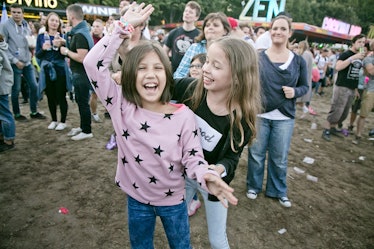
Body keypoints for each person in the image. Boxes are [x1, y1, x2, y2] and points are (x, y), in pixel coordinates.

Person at [83, 4, 238, 248]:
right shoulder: (120, 104)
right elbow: (92, 64)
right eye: (142, 68)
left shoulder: (184, 116)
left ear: (168, 75)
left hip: (174, 203)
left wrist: (207, 175)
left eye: (157, 68)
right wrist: (122, 29)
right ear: (131, 74)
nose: (150, 74)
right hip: (136, 201)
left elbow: (193, 158)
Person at [173, 36, 261, 248]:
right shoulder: (190, 89)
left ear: (238, 77)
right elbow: (161, 83)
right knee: (175, 225)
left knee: (217, 239)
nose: (205, 69)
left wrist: (216, 171)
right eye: (206, 62)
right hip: (182, 174)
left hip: (213, 183)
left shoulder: (241, 119)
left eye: (216, 65)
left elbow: (231, 158)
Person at [246, 15, 308, 208]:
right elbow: (249, 82)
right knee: (256, 154)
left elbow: (305, 86)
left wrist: (295, 92)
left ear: (290, 33)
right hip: (260, 114)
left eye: (282, 29)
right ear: (270, 31)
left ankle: (277, 190)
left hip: (284, 117)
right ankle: (253, 186)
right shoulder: (258, 57)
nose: (278, 32)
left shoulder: (298, 61)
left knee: (279, 157)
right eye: (274, 28)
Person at [0, 3, 46, 121]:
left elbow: (27, 41)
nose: (16, 14)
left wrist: (31, 48)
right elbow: (2, 46)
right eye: (14, 12)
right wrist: (14, 60)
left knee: (34, 86)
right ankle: (17, 114)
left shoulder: (26, 25)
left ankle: (34, 111)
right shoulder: (5, 26)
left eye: (18, 12)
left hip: (27, 62)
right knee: (16, 89)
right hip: (14, 63)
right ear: (11, 12)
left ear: (22, 13)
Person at [322, 34, 366, 141]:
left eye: (363, 42)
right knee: (336, 109)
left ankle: (333, 128)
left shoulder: (360, 56)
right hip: (342, 86)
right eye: (359, 42)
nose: (362, 44)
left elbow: (355, 74)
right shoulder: (346, 54)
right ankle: (326, 129)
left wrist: (355, 89)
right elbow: (338, 67)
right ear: (353, 43)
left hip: (351, 88)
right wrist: (352, 58)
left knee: (345, 112)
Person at [60, 4, 94, 141]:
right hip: (80, 74)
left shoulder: (80, 34)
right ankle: (83, 127)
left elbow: (82, 57)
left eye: (67, 16)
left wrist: (66, 52)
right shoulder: (81, 32)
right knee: (81, 101)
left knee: (83, 102)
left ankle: (87, 130)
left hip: (81, 74)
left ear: (71, 16)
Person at [35, 12, 70, 131]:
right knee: (50, 96)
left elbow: (67, 52)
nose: (54, 23)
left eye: (56, 21)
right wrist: (44, 49)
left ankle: (63, 121)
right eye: (52, 20)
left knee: (61, 96)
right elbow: (38, 55)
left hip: (60, 69)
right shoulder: (41, 37)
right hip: (47, 70)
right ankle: (54, 120)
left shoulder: (63, 36)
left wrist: (62, 44)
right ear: (47, 22)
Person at [173, 12, 231, 79]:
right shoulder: (194, 48)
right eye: (207, 25)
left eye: (215, 25)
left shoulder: (230, 51)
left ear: (225, 31)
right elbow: (179, 74)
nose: (210, 27)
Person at [163, 1, 201, 73]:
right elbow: (164, 51)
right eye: (186, 11)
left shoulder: (199, 35)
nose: (187, 13)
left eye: (191, 12)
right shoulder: (173, 33)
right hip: (174, 73)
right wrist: (166, 64)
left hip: (192, 73)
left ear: (196, 17)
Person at [352, 40, 374, 145]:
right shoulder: (368, 59)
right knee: (363, 114)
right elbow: (371, 71)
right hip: (370, 90)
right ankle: (358, 134)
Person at [0, 34, 16, 152]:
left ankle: (9, 139)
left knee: (4, 113)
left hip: (1, 85)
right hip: (3, 83)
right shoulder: (2, 45)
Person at [296, 40, 317, 117]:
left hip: (302, 78)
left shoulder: (305, 54)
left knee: (298, 97)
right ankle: (304, 108)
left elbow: (302, 66)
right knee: (300, 98)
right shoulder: (309, 54)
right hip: (306, 77)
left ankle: (304, 109)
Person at [90, 18, 105, 123]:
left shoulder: (106, 38)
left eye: (97, 26)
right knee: (94, 94)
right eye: (93, 26)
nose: (95, 29)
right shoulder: (90, 39)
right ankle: (94, 113)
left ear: (102, 28)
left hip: (105, 70)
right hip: (93, 70)